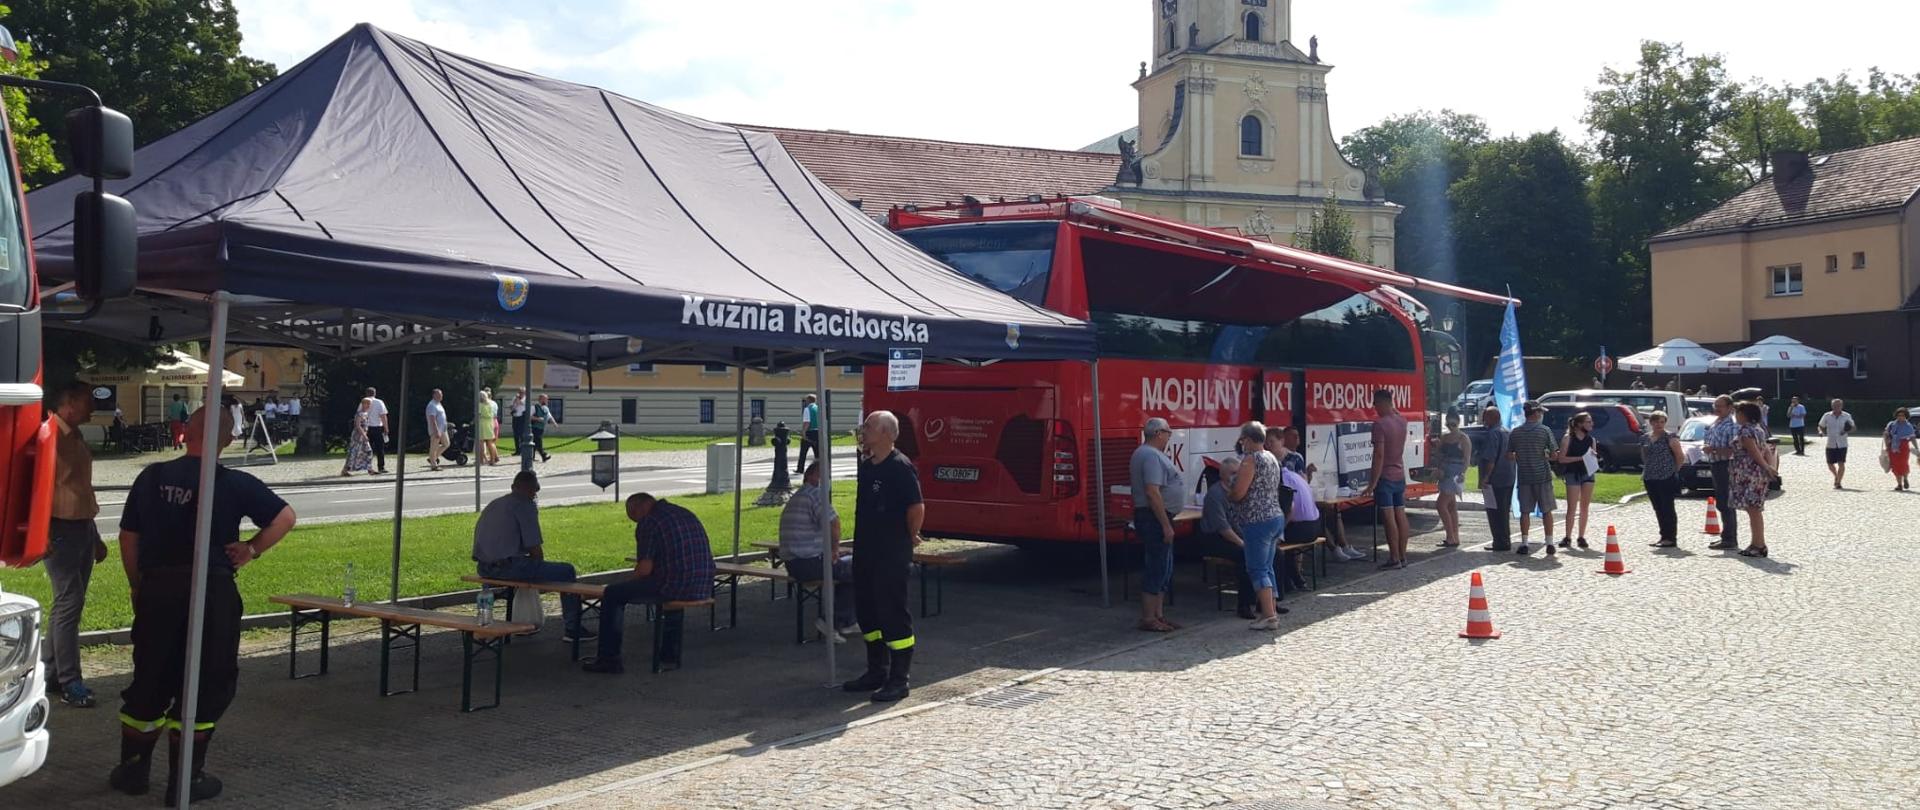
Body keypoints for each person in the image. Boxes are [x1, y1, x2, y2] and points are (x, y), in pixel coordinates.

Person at [111, 406, 296, 801]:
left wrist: (137, 585)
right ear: (227, 441)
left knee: (150, 677)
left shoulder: (152, 477)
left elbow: (128, 537)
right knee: (208, 680)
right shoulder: (234, 483)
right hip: (212, 591)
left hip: (159, 588)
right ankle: (186, 779)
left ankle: (132, 771)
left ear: (185, 433)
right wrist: (251, 549)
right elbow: (285, 517)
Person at [840, 411, 923, 702]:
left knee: (892, 613)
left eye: (870, 426)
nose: (864, 429)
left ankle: (899, 679)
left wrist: (910, 536)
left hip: (891, 553)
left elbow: (916, 508)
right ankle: (876, 670)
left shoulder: (900, 467)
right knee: (868, 613)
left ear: (887, 433)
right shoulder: (868, 465)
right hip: (866, 552)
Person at [583, 493, 715, 674]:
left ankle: (609, 658)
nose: (635, 522)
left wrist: (628, 583)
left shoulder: (649, 522)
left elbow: (644, 569)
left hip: (674, 584)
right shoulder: (683, 512)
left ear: (638, 509)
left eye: (633, 517)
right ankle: (670, 653)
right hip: (703, 583)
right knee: (673, 587)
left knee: (613, 594)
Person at [43, 382, 108, 709]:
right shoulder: (48, 436)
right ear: (69, 402)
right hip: (59, 529)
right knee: (69, 604)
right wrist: (40, 535)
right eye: (87, 403)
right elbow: (35, 490)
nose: (92, 409)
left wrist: (94, 535)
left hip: (81, 526)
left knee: (68, 605)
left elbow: (80, 487)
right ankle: (71, 682)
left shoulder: (75, 435)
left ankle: (52, 673)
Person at [472, 471, 590, 641]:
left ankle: (492, 619)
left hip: (484, 568)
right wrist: (537, 567)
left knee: (527, 568)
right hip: (509, 567)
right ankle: (573, 628)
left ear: (513, 487)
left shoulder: (495, 504)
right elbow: (534, 547)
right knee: (566, 571)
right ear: (534, 490)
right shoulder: (525, 506)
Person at [778, 463, 856, 640]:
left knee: (849, 568)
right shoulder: (815, 495)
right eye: (824, 476)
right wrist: (835, 550)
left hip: (794, 562)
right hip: (809, 562)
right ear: (813, 477)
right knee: (861, 567)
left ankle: (847, 620)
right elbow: (834, 522)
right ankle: (832, 620)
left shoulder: (797, 497)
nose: (826, 481)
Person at [1227, 421, 1287, 630]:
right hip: (1275, 516)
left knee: (1257, 568)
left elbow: (1239, 492)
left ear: (1249, 439)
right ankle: (1270, 610)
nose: (1241, 443)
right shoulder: (1272, 458)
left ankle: (1269, 616)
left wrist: (1231, 493)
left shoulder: (1250, 461)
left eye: (1242, 440)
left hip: (1257, 521)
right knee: (1267, 566)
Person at [1129, 417, 1185, 633]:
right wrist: (1165, 525)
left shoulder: (1148, 454)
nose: (1170, 436)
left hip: (1157, 517)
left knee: (1165, 567)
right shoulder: (1151, 456)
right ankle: (1149, 617)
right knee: (1157, 566)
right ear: (1159, 433)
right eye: (1169, 432)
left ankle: (1158, 615)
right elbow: (1153, 492)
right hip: (1154, 518)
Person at [1282, 426, 1363, 561]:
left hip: (1304, 497)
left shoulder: (1299, 457)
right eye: (1292, 436)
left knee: (1333, 511)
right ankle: (1334, 548)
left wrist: (1309, 472)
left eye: (1297, 435)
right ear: (1284, 439)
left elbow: (1304, 482)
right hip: (1294, 501)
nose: (1297, 438)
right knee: (1318, 518)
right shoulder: (1285, 458)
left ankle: (1344, 545)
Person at [1196, 459, 1256, 619]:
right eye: (1233, 473)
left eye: (1238, 473)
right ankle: (1244, 605)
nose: (1236, 477)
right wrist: (1244, 544)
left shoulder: (1239, 491)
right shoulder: (1215, 495)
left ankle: (1269, 600)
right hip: (1214, 538)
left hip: (1235, 534)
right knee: (1246, 556)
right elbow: (1224, 528)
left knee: (1273, 552)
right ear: (1223, 475)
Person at [1361, 389, 1411, 569]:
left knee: (1389, 518)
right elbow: (1395, 412)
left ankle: (1394, 558)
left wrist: (1372, 483)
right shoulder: (1402, 421)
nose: (1374, 408)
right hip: (1399, 474)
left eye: (1375, 404)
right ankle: (1403, 556)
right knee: (1401, 514)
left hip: (1386, 477)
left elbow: (1379, 456)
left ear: (1381, 403)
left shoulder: (1380, 425)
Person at [1508, 401, 1558, 555]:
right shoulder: (1544, 431)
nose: (1541, 415)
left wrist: (1521, 457)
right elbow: (1555, 454)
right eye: (1541, 412)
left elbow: (1509, 455)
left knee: (1525, 512)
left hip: (1524, 477)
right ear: (1536, 413)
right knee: (1547, 510)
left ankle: (1524, 543)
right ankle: (1549, 542)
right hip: (1542, 476)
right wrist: (1547, 456)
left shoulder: (1516, 432)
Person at [1729, 402, 1778, 557]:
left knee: (1753, 509)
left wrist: (1766, 467)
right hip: (1756, 472)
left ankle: (1759, 544)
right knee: (1754, 509)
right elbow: (1766, 449)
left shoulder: (1745, 431)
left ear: (1744, 414)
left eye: (1737, 412)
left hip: (1749, 472)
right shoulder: (1759, 429)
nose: (1736, 415)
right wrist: (1770, 467)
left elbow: (1754, 451)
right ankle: (1755, 542)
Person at [1703, 396, 1741, 551]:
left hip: (1725, 465)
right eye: (1715, 405)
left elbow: (1734, 450)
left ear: (1730, 407)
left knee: (1726, 502)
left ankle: (1730, 539)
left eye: (1720, 406)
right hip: (1715, 464)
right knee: (1721, 501)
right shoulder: (1716, 422)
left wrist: (1713, 450)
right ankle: (1726, 536)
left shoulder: (1731, 425)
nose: (1716, 408)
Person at [1475, 406, 1515, 552]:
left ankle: (1499, 542)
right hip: (1508, 477)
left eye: (1485, 417)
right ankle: (1505, 540)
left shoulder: (1493, 434)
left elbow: (1490, 459)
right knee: (1504, 511)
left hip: (1495, 479)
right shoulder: (1507, 431)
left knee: (1494, 512)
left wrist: (1485, 478)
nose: (1483, 420)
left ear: (1493, 418)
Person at [1642, 411, 1685, 548]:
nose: (1659, 424)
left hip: (1666, 476)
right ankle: (1663, 536)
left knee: (1667, 507)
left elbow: (1680, 456)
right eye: (1656, 421)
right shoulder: (1645, 438)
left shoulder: (1670, 437)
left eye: (1662, 422)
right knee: (1658, 507)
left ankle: (1670, 537)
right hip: (1650, 476)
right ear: (1651, 423)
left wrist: (1674, 471)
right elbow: (1644, 455)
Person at [1555, 412, 1598, 550]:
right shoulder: (1568, 438)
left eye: (1591, 422)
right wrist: (1580, 458)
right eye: (1588, 422)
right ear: (1579, 424)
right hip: (1572, 474)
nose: (1591, 424)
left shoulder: (1591, 440)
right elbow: (1561, 458)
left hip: (1587, 474)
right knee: (1571, 507)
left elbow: (1593, 458)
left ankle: (1581, 536)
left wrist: (1592, 458)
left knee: (1584, 507)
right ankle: (1567, 537)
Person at [1433, 412, 1472, 548]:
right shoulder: (1445, 437)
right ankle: (1454, 537)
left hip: (1455, 473)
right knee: (1451, 506)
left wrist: (1463, 473)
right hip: (1444, 471)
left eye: (1453, 424)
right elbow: (1439, 455)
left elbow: (1467, 459)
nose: (1451, 427)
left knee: (1441, 504)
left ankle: (1450, 536)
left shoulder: (1463, 438)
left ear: (1458, 423)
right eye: (1448, 424)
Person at [1818, 399, 1854, 490]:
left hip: (1842, 443)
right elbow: (1820, 425)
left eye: (1838, 405)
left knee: (1841, 463)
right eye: (1834, 406)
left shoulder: (1846, 416)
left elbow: (1853, 427)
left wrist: (1846, 430)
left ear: (1841, 406)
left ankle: (1838, 482)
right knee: (1830, 464)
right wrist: (1820, 432)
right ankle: (1836, 476)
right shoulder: (1827, 416)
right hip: (1831, 443)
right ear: (1831, 406)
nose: (1836, 407)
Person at [341, 398, 374, 477]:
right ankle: (345, 470)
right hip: (358, 436)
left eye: (370, 404)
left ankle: (369, 468)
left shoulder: (365, 413)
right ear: (363, 404)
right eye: (368, 404)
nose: (369, 406)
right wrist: (364, 435)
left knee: (368, 451)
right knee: (353, 452)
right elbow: (358, 425)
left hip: (363, 436)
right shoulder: (359, 414)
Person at [361, 387, 390, 474]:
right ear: (375, 393)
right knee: (379, 448)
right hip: (377, 427)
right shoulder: (379, 402)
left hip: (366, 427)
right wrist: (386, 428)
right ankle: (381, 467)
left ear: (366, 393)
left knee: (366, 448)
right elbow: (383, 416)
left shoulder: (363, 402)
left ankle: (367, 466)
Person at [1884, 407, 1915, 491]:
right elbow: (1886, 435)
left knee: (1903, 464)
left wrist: (1917, 448)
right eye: (1899, 415)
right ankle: (1899, 484)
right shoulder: (1891, 424)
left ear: (1906, 416)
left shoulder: (1909, 426)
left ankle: (1905, 478)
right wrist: (1887, 446)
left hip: (1904, 446)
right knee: (1895, 465)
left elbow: (1912, 438)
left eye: (1902, 415)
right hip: (1892, 447)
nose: (1900, 417)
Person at [795, 394, 822, 475]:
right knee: (817, 452)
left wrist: (803, 432)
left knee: (803, 452)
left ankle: (800, 469)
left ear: (808, 400)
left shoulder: (807, 409)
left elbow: (807, 422)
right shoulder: (818, 409)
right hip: (817, 432)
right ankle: (819, 468)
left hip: (809, 432)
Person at [425, 389, 450, 471]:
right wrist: (436, 430)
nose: (441, 396)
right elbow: (432, 419)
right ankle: (433, 465)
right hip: (436, 429)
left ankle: (433, 458)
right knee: (434, 446)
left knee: (446, 444)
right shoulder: (432, 405)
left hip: (443, 429)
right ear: (434, 395)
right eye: (438, 394)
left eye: (441, 394)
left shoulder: (439, 404)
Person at [531, 394, 559, 463]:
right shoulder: (534, 407)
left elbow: (549, 416)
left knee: (535, 442)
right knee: (538, 442)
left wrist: (554, 423)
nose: (547, 400)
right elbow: (529, 416)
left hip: (541, 428)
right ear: (541, 399)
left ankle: (532, 457)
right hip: (535, 427)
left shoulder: (546, 408)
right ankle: (544, 456)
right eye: (546, 399)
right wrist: (537, 419)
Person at [476, 388, 501, 465]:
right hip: (490, 423)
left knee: (481, 442)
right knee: (491, 442)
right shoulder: (490, 404)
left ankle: (481, 460)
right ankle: (492, 459)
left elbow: (478, 414)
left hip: (482, 423)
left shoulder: (480, 405)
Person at [509, 388, 531, 470]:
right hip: (515, 417)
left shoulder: (526, 399)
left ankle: (523, 450)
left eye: (522, 392)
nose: (520, 394)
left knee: (522, 434)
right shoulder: (514, 398)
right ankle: (517, 450)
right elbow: (511, 406)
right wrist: (513, 405)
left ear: (524, 393)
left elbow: (522, 404)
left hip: (522, 417)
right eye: (519, 392)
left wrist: (518, 400)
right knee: (515, 434)